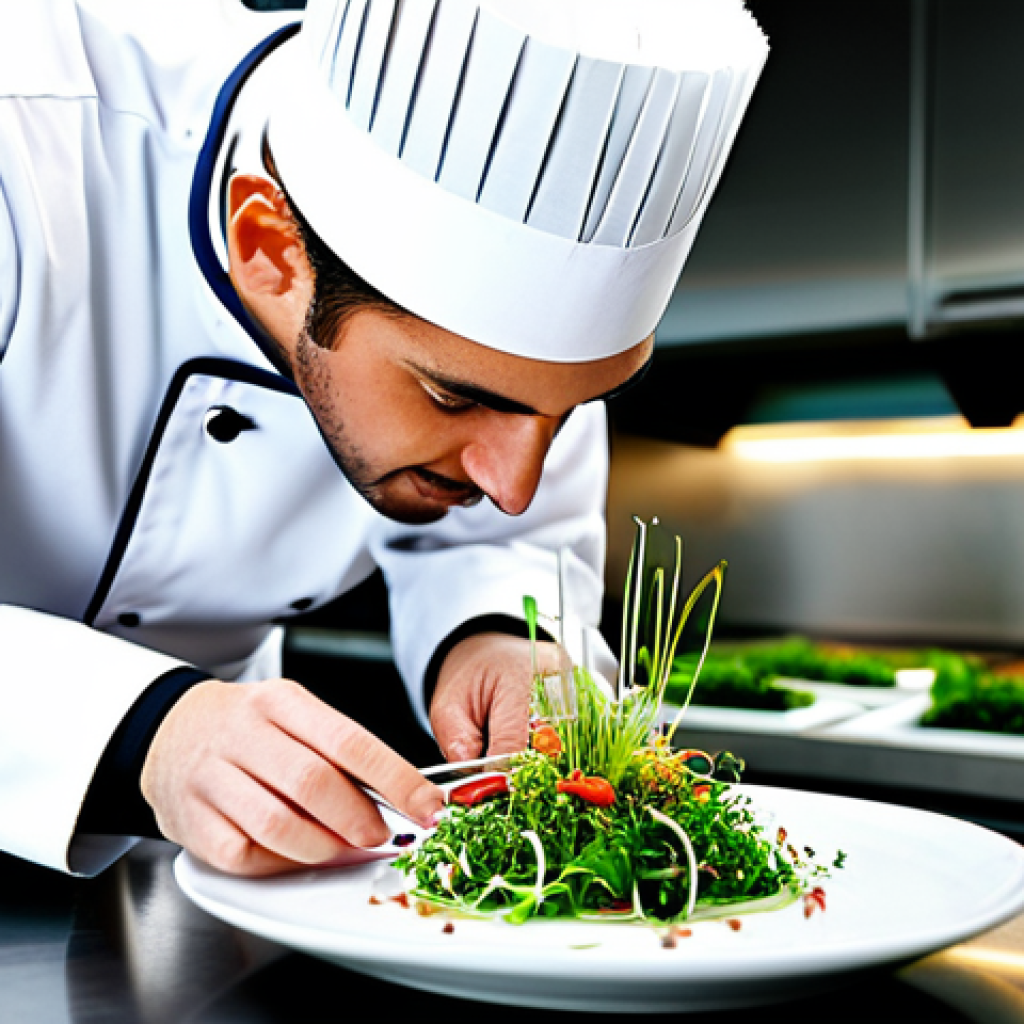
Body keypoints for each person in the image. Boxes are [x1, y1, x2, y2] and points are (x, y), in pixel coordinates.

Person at [0, 0, 767, 877]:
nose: (517, 481)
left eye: (569, 409)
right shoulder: (25, 138)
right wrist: (144, 730)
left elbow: (507, 539)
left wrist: (499, 641)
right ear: (270, 251)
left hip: (176, 869)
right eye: (452, 397)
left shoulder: (514, 375)